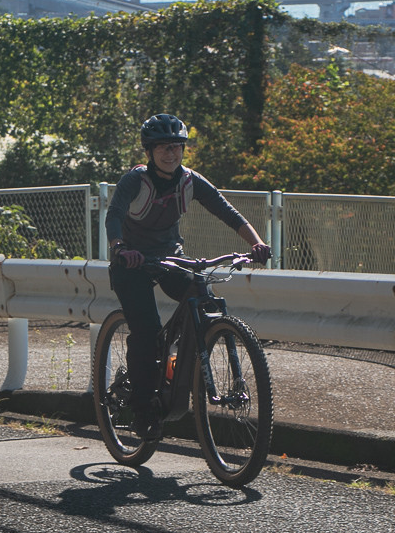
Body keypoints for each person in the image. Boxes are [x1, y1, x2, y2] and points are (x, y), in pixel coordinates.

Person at [105, 113, 272, 440]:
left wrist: (256, 243)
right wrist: (120, 247)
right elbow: (113, 216)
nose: (171, 154)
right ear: (149, 152)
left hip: (169, 257)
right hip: (132, 262)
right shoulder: (135, 181)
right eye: (164, 148)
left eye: (177, 147)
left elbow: (227, 211)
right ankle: (142, 409)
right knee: (148, 330)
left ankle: (176, 367)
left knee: (203, 301)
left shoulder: (189, 180)